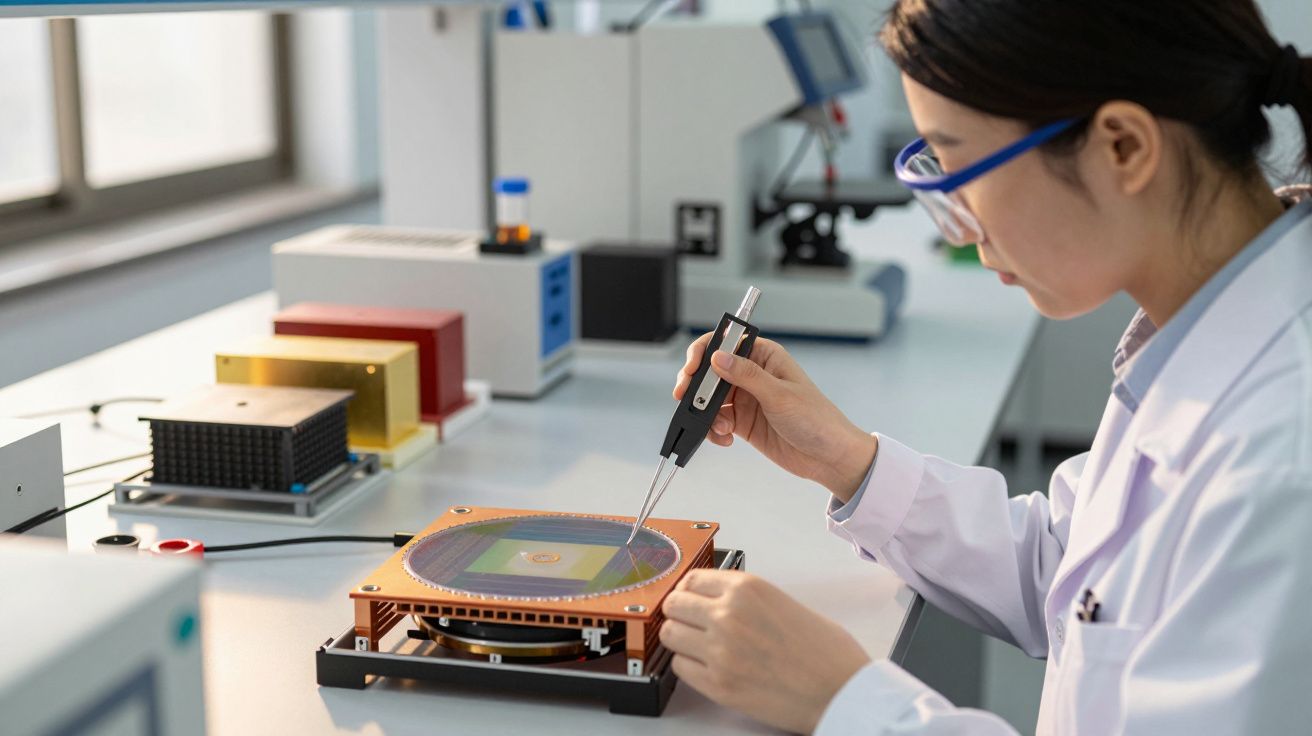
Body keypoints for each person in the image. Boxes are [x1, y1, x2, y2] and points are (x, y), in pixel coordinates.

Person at [656, 1, 1312, 733]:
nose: (959, 223)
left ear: (1123, 147)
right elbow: (1073, 573)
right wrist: (847, 460)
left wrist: (848, 702)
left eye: (961, 167)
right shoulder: (1203, 334)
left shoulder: (1280, 464)